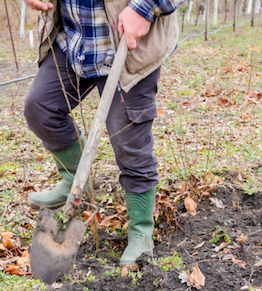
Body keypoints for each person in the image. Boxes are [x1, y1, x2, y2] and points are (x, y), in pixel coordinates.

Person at [23, 0, 181, 268]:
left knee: (128, 142)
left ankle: (141, 230)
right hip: (74, 41)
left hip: (128, 46)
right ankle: (73, 182)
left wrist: (145, 7)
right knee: (40, 108)